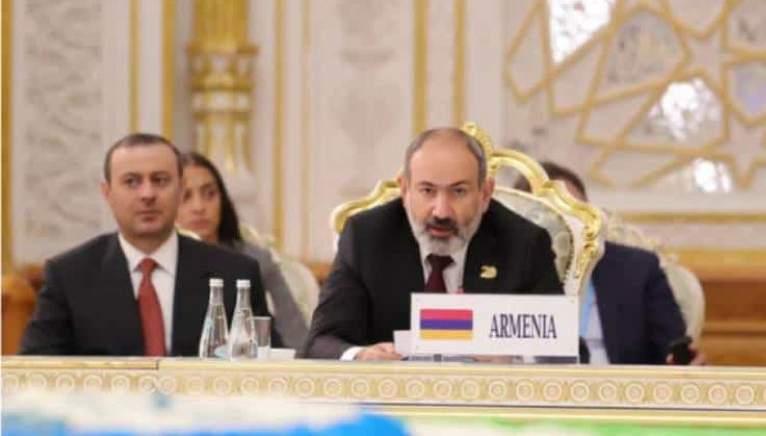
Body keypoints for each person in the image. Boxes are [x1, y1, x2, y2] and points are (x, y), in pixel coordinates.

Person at [304, 127, 563, 361]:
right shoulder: (366, 238)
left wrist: (512, 360)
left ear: (484, 194)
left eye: (458, 191)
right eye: (427, 191)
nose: (441, 211)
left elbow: (566, 351)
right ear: (405, 191)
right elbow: (320, 342)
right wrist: (361, 356)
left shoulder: (524, 244)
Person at [20, 134, 276, 356]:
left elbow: (268, 369)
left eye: (160, 180)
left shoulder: (234, 274)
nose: (147, 194)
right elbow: (36, 372)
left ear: (180, 190)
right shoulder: (69, 276)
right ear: (108, 193)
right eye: (131, 182)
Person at [515, 161, 705, 365]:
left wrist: (685, 366)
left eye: (578, 211)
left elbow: (673, 354)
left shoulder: (637, 270)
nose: (569, 223)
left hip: (619, 383)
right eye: (555, 213)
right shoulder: (502, 267)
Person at [176, 151, 308, 351]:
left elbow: (296, 337)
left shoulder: (253, 260)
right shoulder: (164, 265)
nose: (199, 207)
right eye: (185, 197)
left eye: (209, 194)